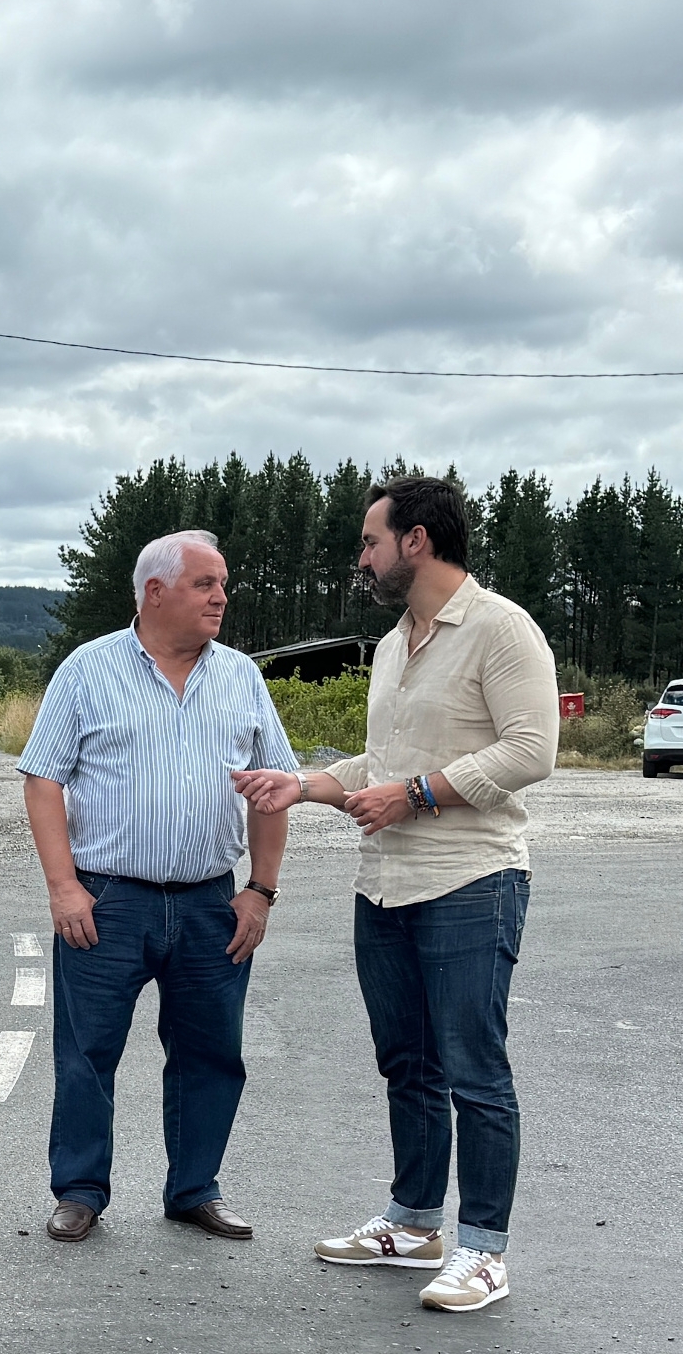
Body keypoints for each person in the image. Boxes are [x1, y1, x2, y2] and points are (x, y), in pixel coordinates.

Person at [234, 477, 555, 1314]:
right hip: (383, 888)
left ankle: (484, 1249)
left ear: (416, 540)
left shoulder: (501, 628)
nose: (362, 558)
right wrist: (299, 783)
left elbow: (532, 750)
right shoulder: (391, 642)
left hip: (471, 882)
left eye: (370, 542)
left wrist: (416, 795)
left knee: (474, 1070)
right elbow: (374, 770)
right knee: (406, 1064)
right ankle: (416, 1225)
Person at [19, 529, 296, 1244]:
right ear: (155, 591)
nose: (221, 597)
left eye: (223, 583)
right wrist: (63, 888)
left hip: (213, 901)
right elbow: (43, 778)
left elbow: (275, 790)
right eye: (206, 583)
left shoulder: (242, 678)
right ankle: (80, 1190)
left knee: (211, 1051)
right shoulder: (87, 670)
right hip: (107, 899)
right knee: (86, 1052)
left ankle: (194, 1187)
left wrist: (261, 890)